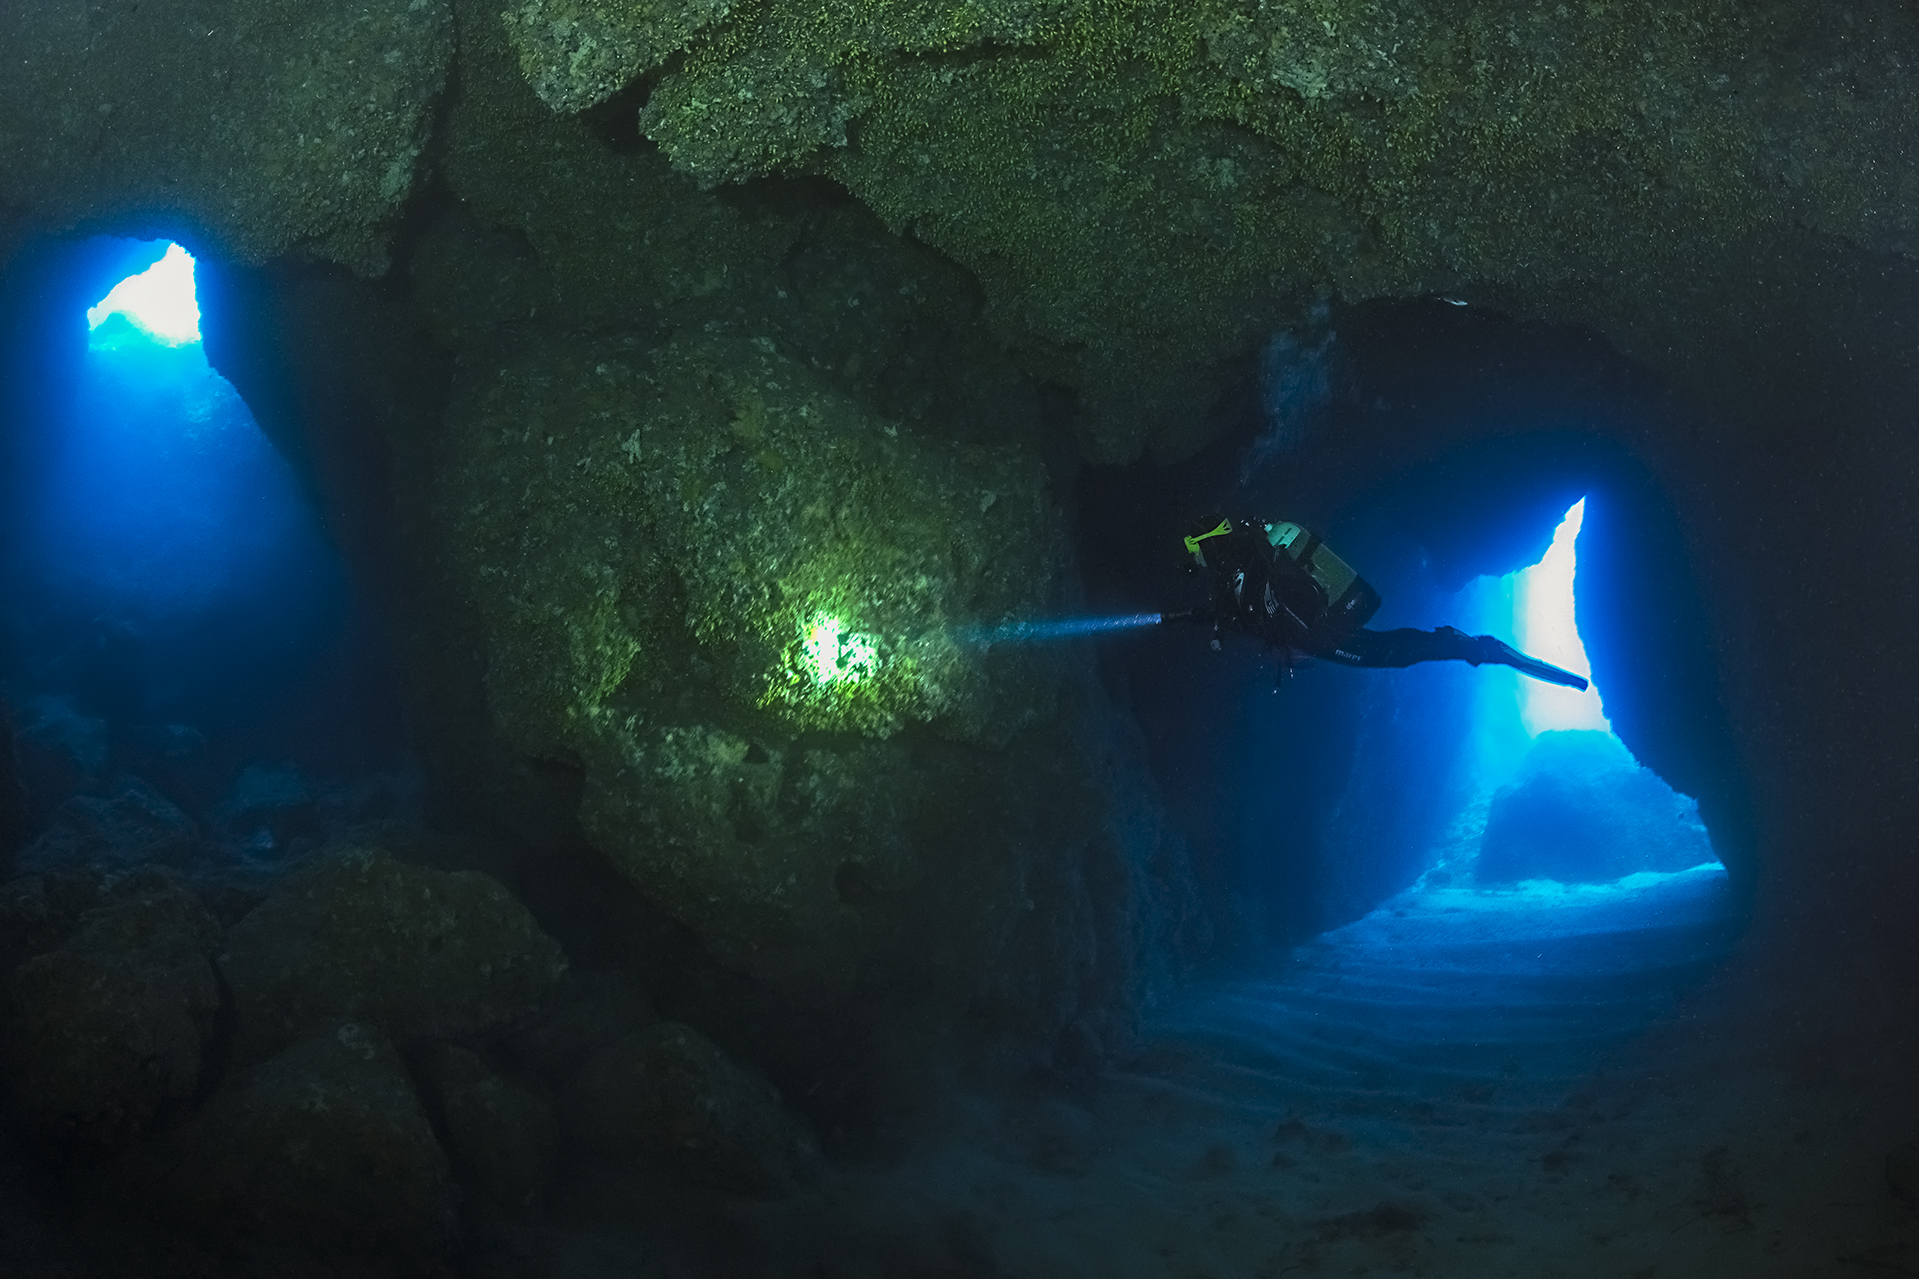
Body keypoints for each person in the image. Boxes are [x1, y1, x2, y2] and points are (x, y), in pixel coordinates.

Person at [1175, 516, 1589, 689]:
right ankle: (1463, 644)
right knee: (1387, 649)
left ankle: (1478, 648)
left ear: (1204, 543)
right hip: (1320, 625)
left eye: (1193, 550)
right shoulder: (1238, 563)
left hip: (1324, 626)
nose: (1192, 560)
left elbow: (1258, 609)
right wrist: (1206, 616)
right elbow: (1254, 613)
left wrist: (1221, 617)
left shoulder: (1238, 557)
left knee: (1388, 653)